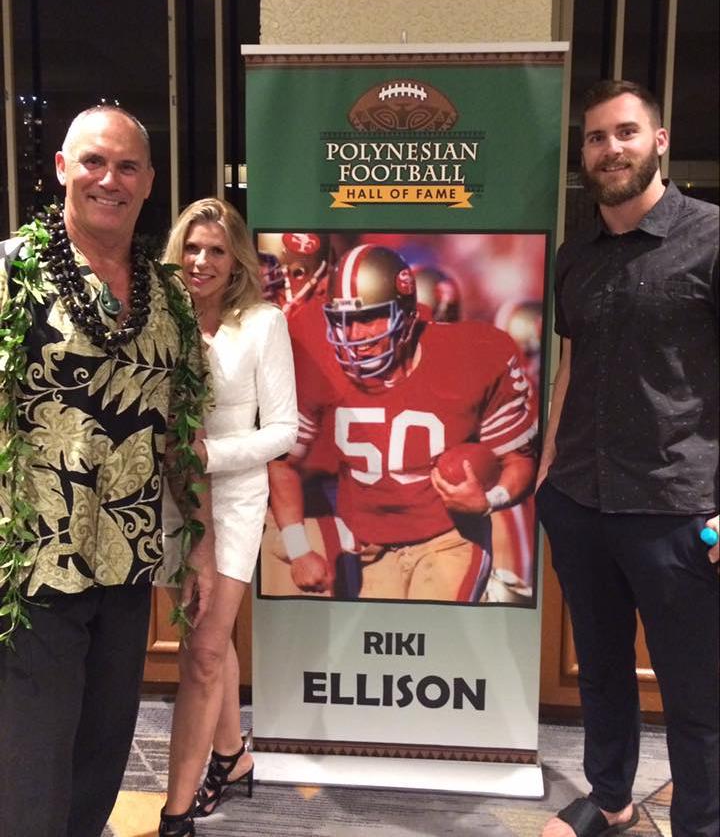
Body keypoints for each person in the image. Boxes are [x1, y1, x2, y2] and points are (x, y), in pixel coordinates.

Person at [0, 106, 214, 837]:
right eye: (93, 162)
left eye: (127, 167)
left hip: (128, 571)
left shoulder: (172, 299)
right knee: (30, 782)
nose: (109, 180)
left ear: (149, 182)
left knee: (99, 766)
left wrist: (201, 551)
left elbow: (183, 435)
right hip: (33, 575)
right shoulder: (9, 277)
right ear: (61, 168)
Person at [536, 80, 718, 837]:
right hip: (580, 499)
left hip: (676, 507)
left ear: (660, 140)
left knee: (695, 694)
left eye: (625, 133)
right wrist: (547, 472)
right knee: (603, 672)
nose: (611, 149)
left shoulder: (710, 238)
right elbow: (571, 367)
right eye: (596, 138)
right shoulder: (577, 257)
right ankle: (609, 797)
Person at [268, 242, 538, 602]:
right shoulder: (314, 349)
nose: (355, 336)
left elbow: (519, 459)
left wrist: (489, 499)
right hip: (370, 544)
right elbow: (283, 463)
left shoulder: (471, 354)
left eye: (368, 318)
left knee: (434, 637)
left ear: (406, 314)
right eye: (342, 321)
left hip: (449, 538)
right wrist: (299, 548)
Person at [157, 199, 297, 836]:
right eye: (191, 247)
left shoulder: (263, 323)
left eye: (215, 249)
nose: (201, 260)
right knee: (203, 639)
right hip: (170, 499)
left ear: (235, 257)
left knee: (206, 648)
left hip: (236, 499)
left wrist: (211, 453)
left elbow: (283, 433)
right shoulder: (159, 315)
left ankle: (177, 810)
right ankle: (233, 757)